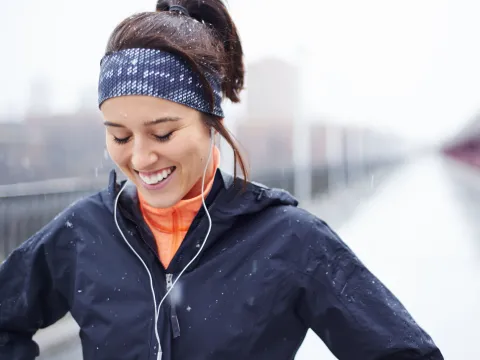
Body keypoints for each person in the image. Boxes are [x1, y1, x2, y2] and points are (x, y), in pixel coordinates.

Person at [0, 1, 444, 359]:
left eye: (163, 133)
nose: (139, 156)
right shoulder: (84, 231)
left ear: (211, 124)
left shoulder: (290, 240)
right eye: (118, 135)